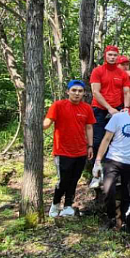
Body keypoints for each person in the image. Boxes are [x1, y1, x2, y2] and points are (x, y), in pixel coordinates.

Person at [93, 92, 130, 230]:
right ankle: (111, 217)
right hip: (114, 159)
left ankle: (125, 219)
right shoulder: (118, 118)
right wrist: (98, 161)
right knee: (108, 190)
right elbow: (106, 139)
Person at [45, 80, 96, 218]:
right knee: (63, 180)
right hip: (62, 151)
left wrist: (90, 146)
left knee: (74, 180)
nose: (77, 93)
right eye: (74, 90)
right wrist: (35, 125)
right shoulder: (58, 105)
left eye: (80, 91)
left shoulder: (87, 108)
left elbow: (89, 127)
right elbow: (47, 122)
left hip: (80, 150)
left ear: (84, 93)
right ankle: (55, 204)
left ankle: (68, 205)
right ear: (68, 91)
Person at [90, 45, 130, 161]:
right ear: (105, 55)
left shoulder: (122, 73)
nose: (112, 57)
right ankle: (96, 168)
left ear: (118, 57)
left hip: (117, 109)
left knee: (116, 139)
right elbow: (95, 92)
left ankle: (112, 168)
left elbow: (126, 92)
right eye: (110, 55)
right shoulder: (97, 71)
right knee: (98, 139)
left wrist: (127, 107)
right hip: (99, 109)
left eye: (115, 55)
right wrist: (108, 108)